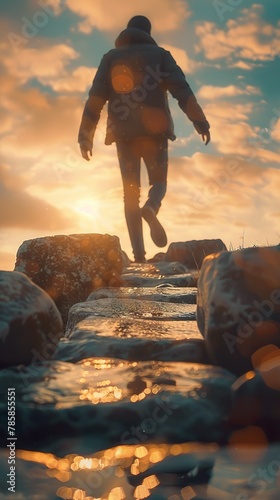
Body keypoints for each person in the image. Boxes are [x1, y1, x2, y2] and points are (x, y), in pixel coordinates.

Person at [78, 15, 210, 263]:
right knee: (158, 183)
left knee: (130, 194)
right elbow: (182, 89)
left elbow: (95, 98)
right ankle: (152, 207)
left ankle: (139, 255)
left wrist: (85, 136)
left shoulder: (110, 58)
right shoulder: (160, 55)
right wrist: (199, 121)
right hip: (155, 132)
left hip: (124, 134)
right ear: (148, 32)